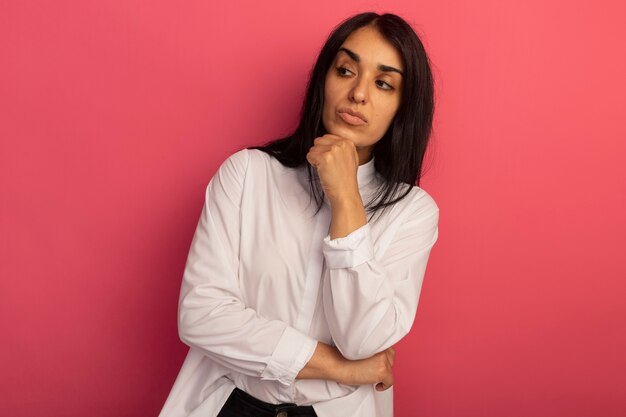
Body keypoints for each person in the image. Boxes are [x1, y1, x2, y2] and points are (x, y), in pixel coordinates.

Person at [159, 11, 439, 417]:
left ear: (403, 107)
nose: (359, 93)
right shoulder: (248, 174)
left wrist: (346, 201)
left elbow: (364, 338)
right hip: (229, 405)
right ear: (324, 81)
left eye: (383, 83)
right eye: (346, 70)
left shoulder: (412, 212)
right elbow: (201, 315)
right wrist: (340, 367)